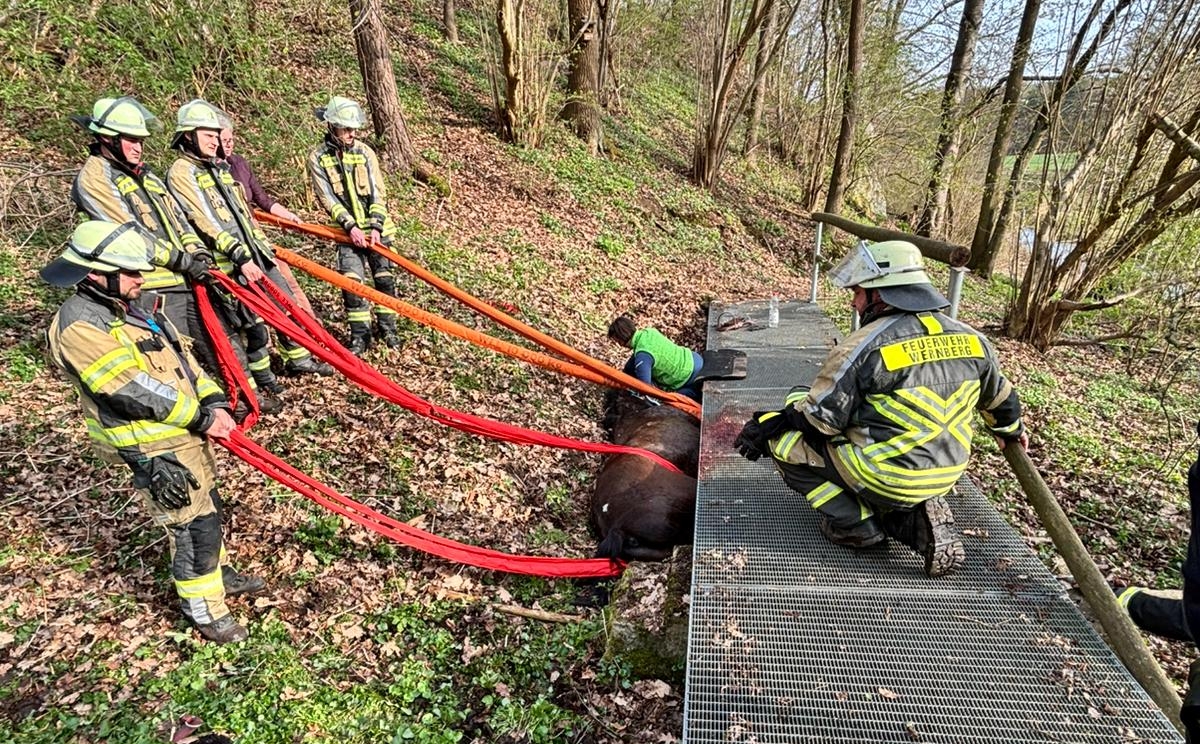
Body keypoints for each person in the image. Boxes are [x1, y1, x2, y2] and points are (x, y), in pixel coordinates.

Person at [733, 240, 1028, 577]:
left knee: (783, 445)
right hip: (947, 472)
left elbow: (820, 424)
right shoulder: (974, 340)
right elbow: (1002, 402)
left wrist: (772, 422)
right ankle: (912, 519)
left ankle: (855, 525)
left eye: (858, 291)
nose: (854, 301)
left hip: (889, 474)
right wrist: (1011, 433)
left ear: (881, 293)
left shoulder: (863, 347)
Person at [42, 220, 264, 644]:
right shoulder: (79, 327)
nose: (140, 279)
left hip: (185, 435)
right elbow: (130, 391)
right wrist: (200, 418)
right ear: (95, 273)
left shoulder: (133, 308)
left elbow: (183, 361)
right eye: (130, 272)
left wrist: (214, 400)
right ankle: (205, 611)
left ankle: (219, 576)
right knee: (192, 527)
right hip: (154, 445)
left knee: (209, 510)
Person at [68, 96, 281, 416]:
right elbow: (128, 235)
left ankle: (246, 400)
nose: (138, 147)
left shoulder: (148, 176)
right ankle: (202, 414)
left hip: (186, 276)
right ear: (106, 138)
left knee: (221, 338)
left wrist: (196, 253)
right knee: (175, 353)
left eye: (141, 140)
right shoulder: (95, 178)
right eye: (131, 140)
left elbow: (179, 219)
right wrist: (180, 259)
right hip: (148, 284)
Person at [166, 99, 334, 382]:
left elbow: (244, 214)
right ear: (188, 136)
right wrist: (240, 257)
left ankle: (299, 360)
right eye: (208, 135)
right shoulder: (183, 173)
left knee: (288, 306)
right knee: (251, 323)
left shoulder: (218, 168)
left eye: (216, 135)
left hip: (257, 255)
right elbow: (203, 220)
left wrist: (262, 249)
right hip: (231, 265)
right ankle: (264, 380)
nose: (215, 141)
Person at [306, 95, 401, 356]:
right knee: (351, 284)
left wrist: (375, 227)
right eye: (346, 129)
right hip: (347, 233)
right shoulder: (318, 157)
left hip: (377, 230)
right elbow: (326, 197)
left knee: (384, 280)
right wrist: (350, 227)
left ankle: (388, 328)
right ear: (331, 127)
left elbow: (377, 192)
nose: (351, 133)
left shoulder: (365, 152)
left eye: (354, 129)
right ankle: (360, 335)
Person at [218, 118, 317, 319]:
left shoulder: (239, 164)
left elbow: (262, 198)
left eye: (231, 139)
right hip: (232, 235)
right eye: (224, 140)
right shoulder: (209, 173)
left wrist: (289, 216)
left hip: (254, 230)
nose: (229, 144)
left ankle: (310, 321)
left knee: (284, 274)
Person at [607, 315, 704, 403]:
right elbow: (634, 363)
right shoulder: (648, 332)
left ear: (620, 339)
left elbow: (647, 390)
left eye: (617, 341)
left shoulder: (642, 358)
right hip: (695, 359)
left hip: (689, 379)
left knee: (669, 402)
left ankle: (695, 394)